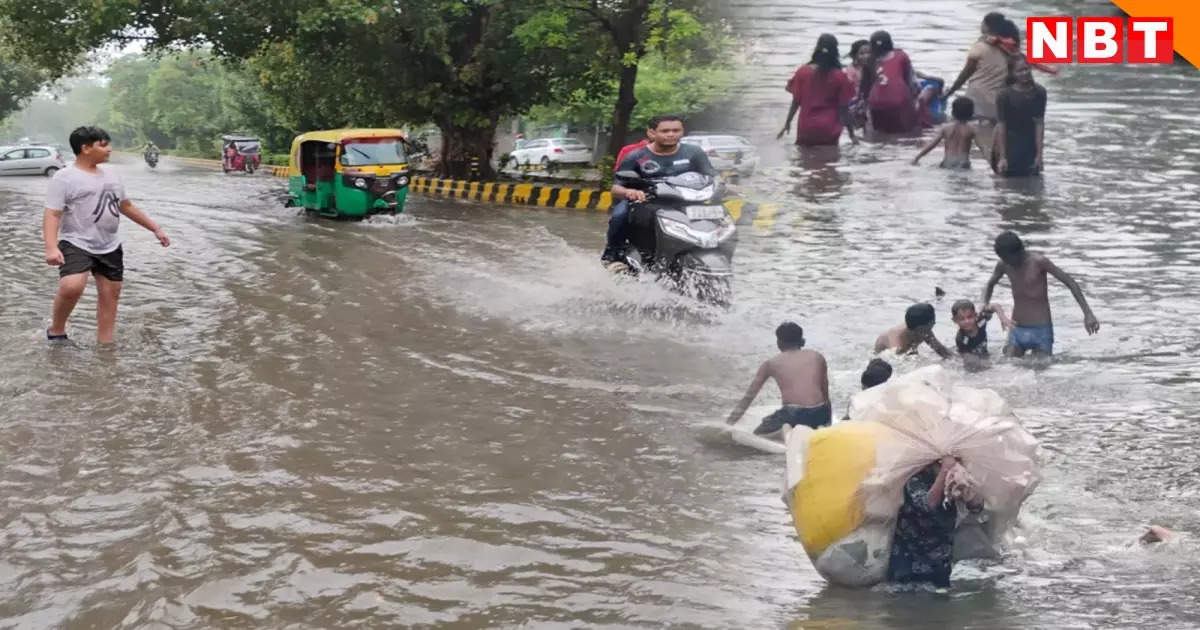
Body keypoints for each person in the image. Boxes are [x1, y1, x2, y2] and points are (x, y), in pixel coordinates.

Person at [43, 126, 170, 343]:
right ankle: (56, 329)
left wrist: (155, 228)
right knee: (72, 285)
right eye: (103, 145)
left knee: (111, 294)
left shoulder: (111, 174)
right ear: (85, 148)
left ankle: (106, 344)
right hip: (76, 241)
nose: (109, 149)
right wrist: (51, 247)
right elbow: (53, 214)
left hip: (109, 244)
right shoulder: (65, 177)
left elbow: (126, 206)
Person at [982, 232, 1099, 357]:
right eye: (1003, 259)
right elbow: (990, 284)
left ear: (1019, 251)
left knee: (1041, 372)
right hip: (1016, 329)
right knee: (1009, 368)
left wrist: (1088, 313)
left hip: (1041, 331)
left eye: (1007, 259)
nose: (1006, 262)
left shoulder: (1039, 262)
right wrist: (984, 304)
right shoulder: (1003, 264)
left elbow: (1070, 282)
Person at [887, 456, 983, 588]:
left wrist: (968, 490)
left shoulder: (954, 480)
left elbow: (977, 508)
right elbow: (928, 504)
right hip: (910, 561)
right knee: (906, 602)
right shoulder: (915, 477)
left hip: (939, 561)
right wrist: (945, 471)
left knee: (939, 600)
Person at [725, 322, 831, 438]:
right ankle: (813, 428)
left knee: (757, 435)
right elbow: (825, 391)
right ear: (801, 340)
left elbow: (748, 397)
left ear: (779, 342)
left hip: (793, 414)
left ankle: (782, 433)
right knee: (812, 420)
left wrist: (728, 425)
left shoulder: (771, 364)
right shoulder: (817, 356)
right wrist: (827, 420)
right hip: (820, 412)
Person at [944, 12, 1017, 155]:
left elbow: (965, 74)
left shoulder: (980, 47)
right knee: (991, 141)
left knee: (959, 133)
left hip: (976, 99)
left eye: (982, 22)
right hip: (997, 101)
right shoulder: (1010, 48)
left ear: (987, 26)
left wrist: (949, 92)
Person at [777, 34, 858, 146]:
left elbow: (795, 102)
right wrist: (852, 135)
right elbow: (844, 109)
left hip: (806, 127)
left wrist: (787, 123)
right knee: (830, 160)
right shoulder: (840, 76)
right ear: (835, 52)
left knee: (805, 161)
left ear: (817, 49)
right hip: (829, 129)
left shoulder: (802, 72)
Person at [600, 131, 653, 264]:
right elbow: (619, 177)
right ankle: (611, 251)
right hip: (633, 195)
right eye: (664, 131)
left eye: (675, 131)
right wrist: (630, 191)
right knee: (619, 216)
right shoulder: (633, 152)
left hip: (669, 196)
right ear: (651, 132)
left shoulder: (683, 153)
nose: (670, 135)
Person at [993, 60, 1047, 177]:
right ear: (1012, 73)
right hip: (1008, 144)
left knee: (1033, 182)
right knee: (1006, 184)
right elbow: (1001, 124)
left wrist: (1039, 155)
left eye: (1026, 69)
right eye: (1019, 71)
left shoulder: (1039, 92)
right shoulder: (1004, 95)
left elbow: (1039, 123)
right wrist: (1002, 157)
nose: (1024, 73)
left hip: (1029, 144)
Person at [860, 31, 919, 133]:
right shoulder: (901, 56)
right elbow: (910, 82)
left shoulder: (869, 60)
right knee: (906, 132)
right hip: (898, 101)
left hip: (876, 103)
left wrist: (864, 106)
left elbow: (865, 88)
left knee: (880, 133)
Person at [912, 97, 988, 169]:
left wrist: (917, 157)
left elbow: (931, 145)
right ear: (971, 114)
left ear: (952, 112)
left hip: (948, 161)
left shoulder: (946, 128)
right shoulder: (972, 129)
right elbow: (983, 148)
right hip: (963, 162)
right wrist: (992, 162)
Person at [874, 303, 953, 358]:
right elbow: (895, 364)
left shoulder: (924, 331)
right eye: (933, 322)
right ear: (922, 327)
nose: (935, 323)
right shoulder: (896, 341)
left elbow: (942, 351)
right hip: (883, 356)